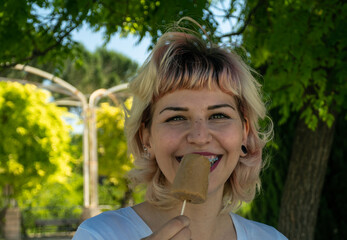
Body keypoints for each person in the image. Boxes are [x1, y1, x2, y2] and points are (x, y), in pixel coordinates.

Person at [73, 18, 287, 240]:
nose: (199, 136)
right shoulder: (99, 235)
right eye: (176, 118)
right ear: (146, 138)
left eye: (219, 115)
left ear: (245, 133)